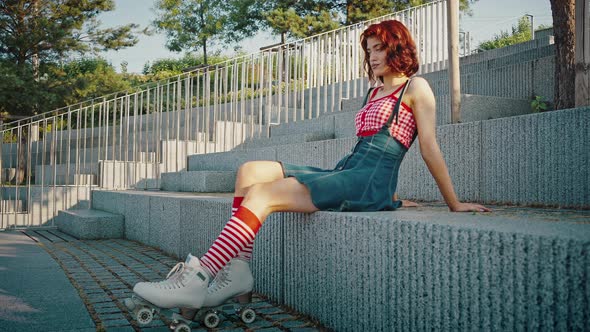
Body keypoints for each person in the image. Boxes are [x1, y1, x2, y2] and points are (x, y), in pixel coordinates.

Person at [131, 19, 491, 318]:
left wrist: (453, 203)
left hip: (365, 181)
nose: (372, 56)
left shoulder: (418, 88)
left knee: (263, 194)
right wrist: (393, 197)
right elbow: (370, 147)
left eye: (378, 48)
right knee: (250, 172)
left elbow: (426, 147)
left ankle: (201, 276)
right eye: (368, 50)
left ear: (397, 46)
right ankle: (238, 272)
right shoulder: (373, 91)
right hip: (350, 171)